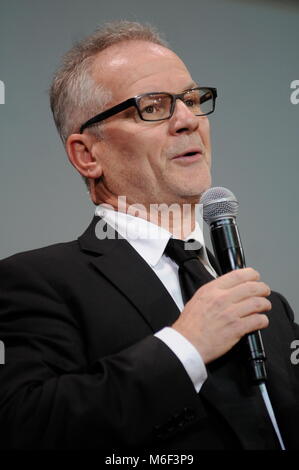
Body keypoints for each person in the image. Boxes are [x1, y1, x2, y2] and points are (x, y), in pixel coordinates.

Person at [0, 20, 298, 451]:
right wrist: (184, 347)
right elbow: (24, 426)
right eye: (153, 107)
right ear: (87, 154)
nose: (187, 121)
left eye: (193, 100)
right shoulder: (33, 282)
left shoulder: (268, 307)